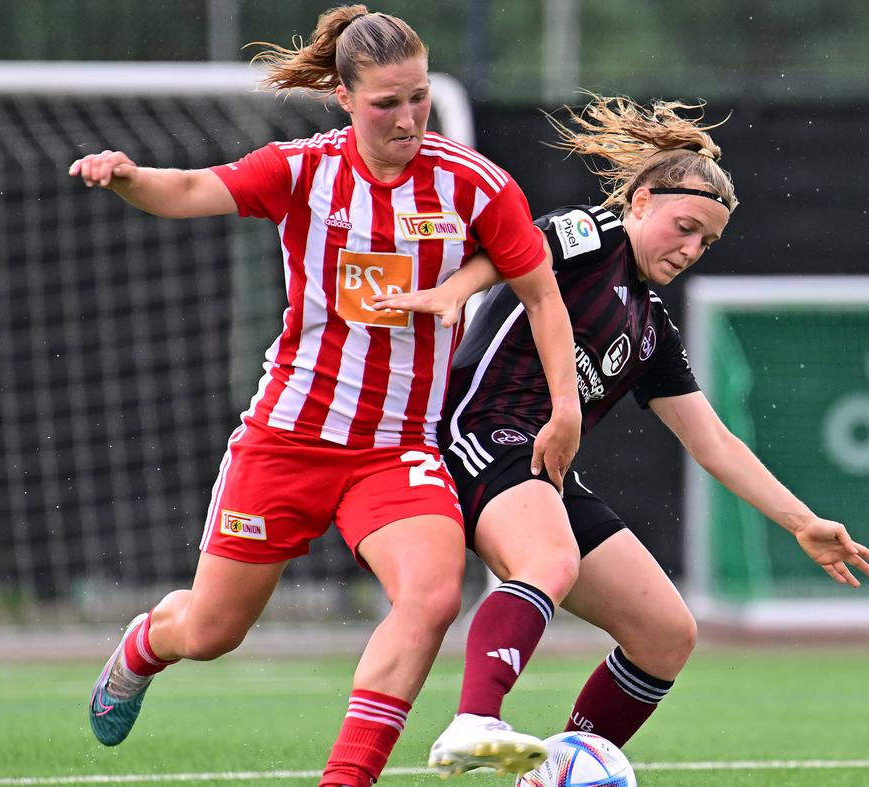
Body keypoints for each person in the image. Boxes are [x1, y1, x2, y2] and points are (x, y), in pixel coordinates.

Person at [70, 7, 582, 785]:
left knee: (432, 595)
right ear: (344, 98)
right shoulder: (302, 170)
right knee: (210, 631)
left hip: (396, 450)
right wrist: (130, 178)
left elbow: (541, 293)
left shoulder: (473, 183)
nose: (408, 119)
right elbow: (192, 188)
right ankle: (143, 644)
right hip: (287, 439)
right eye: (386, 103)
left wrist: (565, 406)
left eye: (419, 97)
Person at [370, 95, 869, 776]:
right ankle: (474, 721)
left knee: (666, 633)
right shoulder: (596, 232)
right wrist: (456, 289)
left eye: (706, 242)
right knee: (548, 560)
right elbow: (518, 249)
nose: (691, 249)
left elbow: (712, 441)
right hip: (478, 433)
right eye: (685, 227)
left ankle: (558, 769)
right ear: (641, 201)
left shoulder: (651, 325)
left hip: (545, 469)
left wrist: (802, 522)